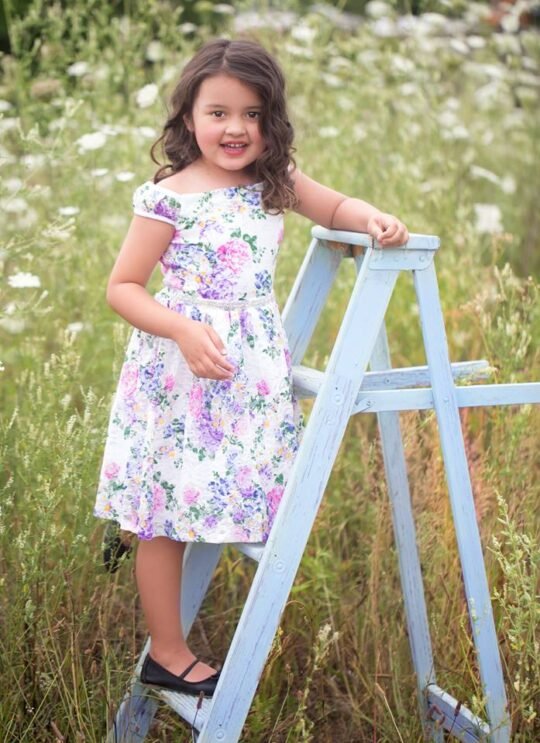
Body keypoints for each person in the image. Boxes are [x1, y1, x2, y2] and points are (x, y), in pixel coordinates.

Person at [93, 38, 408, 698]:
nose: (235, 128)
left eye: (253, 114)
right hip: (181, 371)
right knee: (162, 515)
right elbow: (123, 287)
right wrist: (181, 328)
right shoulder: (168, 197)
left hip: (246, 375)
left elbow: (335, 208)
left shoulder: (273, 183)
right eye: (218, 113)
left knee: (228, 494)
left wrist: (373, 220)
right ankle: (166, 651)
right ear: (188, 117)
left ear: (272, 121)